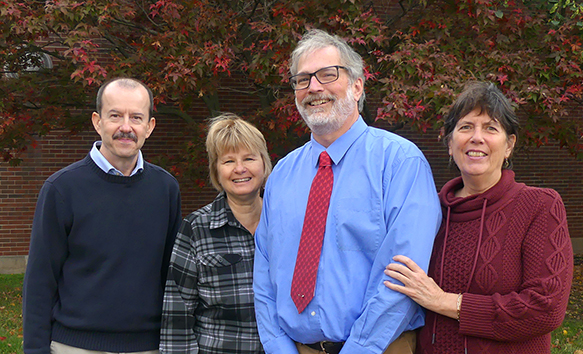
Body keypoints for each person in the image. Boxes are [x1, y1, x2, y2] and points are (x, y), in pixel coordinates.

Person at [253, 29, 442, 354]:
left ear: (357, 86)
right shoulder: (282, 174)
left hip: (381, 348)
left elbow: (402, 276)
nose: (314, 87)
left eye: (327, 74)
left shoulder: (399, 162)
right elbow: (264, 277)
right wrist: (278, 349)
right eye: (302, 79)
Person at [384, 81, 573, 354]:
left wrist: (444, 301)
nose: (477, 137)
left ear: (509, 145)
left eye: (491, 128)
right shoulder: (427, 212)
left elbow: (545, 308)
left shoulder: (539, 206)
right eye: (465, 127)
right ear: (450, 144)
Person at [23, 77, 182, 354]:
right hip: (74, 345)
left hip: (148, 347)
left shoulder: (166, 189)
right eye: (115, 116)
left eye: (136, 117)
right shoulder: (61, 189)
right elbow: (40, 279)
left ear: (149, 126)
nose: (125, 127)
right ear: (97, 122)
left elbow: (172, 275)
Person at [160, 113, 271, 354]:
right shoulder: (196, 229)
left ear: (264, 163)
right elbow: (177, 313)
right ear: (216, 171)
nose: (240, 169)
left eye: (249, 158)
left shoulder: (286, 223)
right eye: (228, 161)